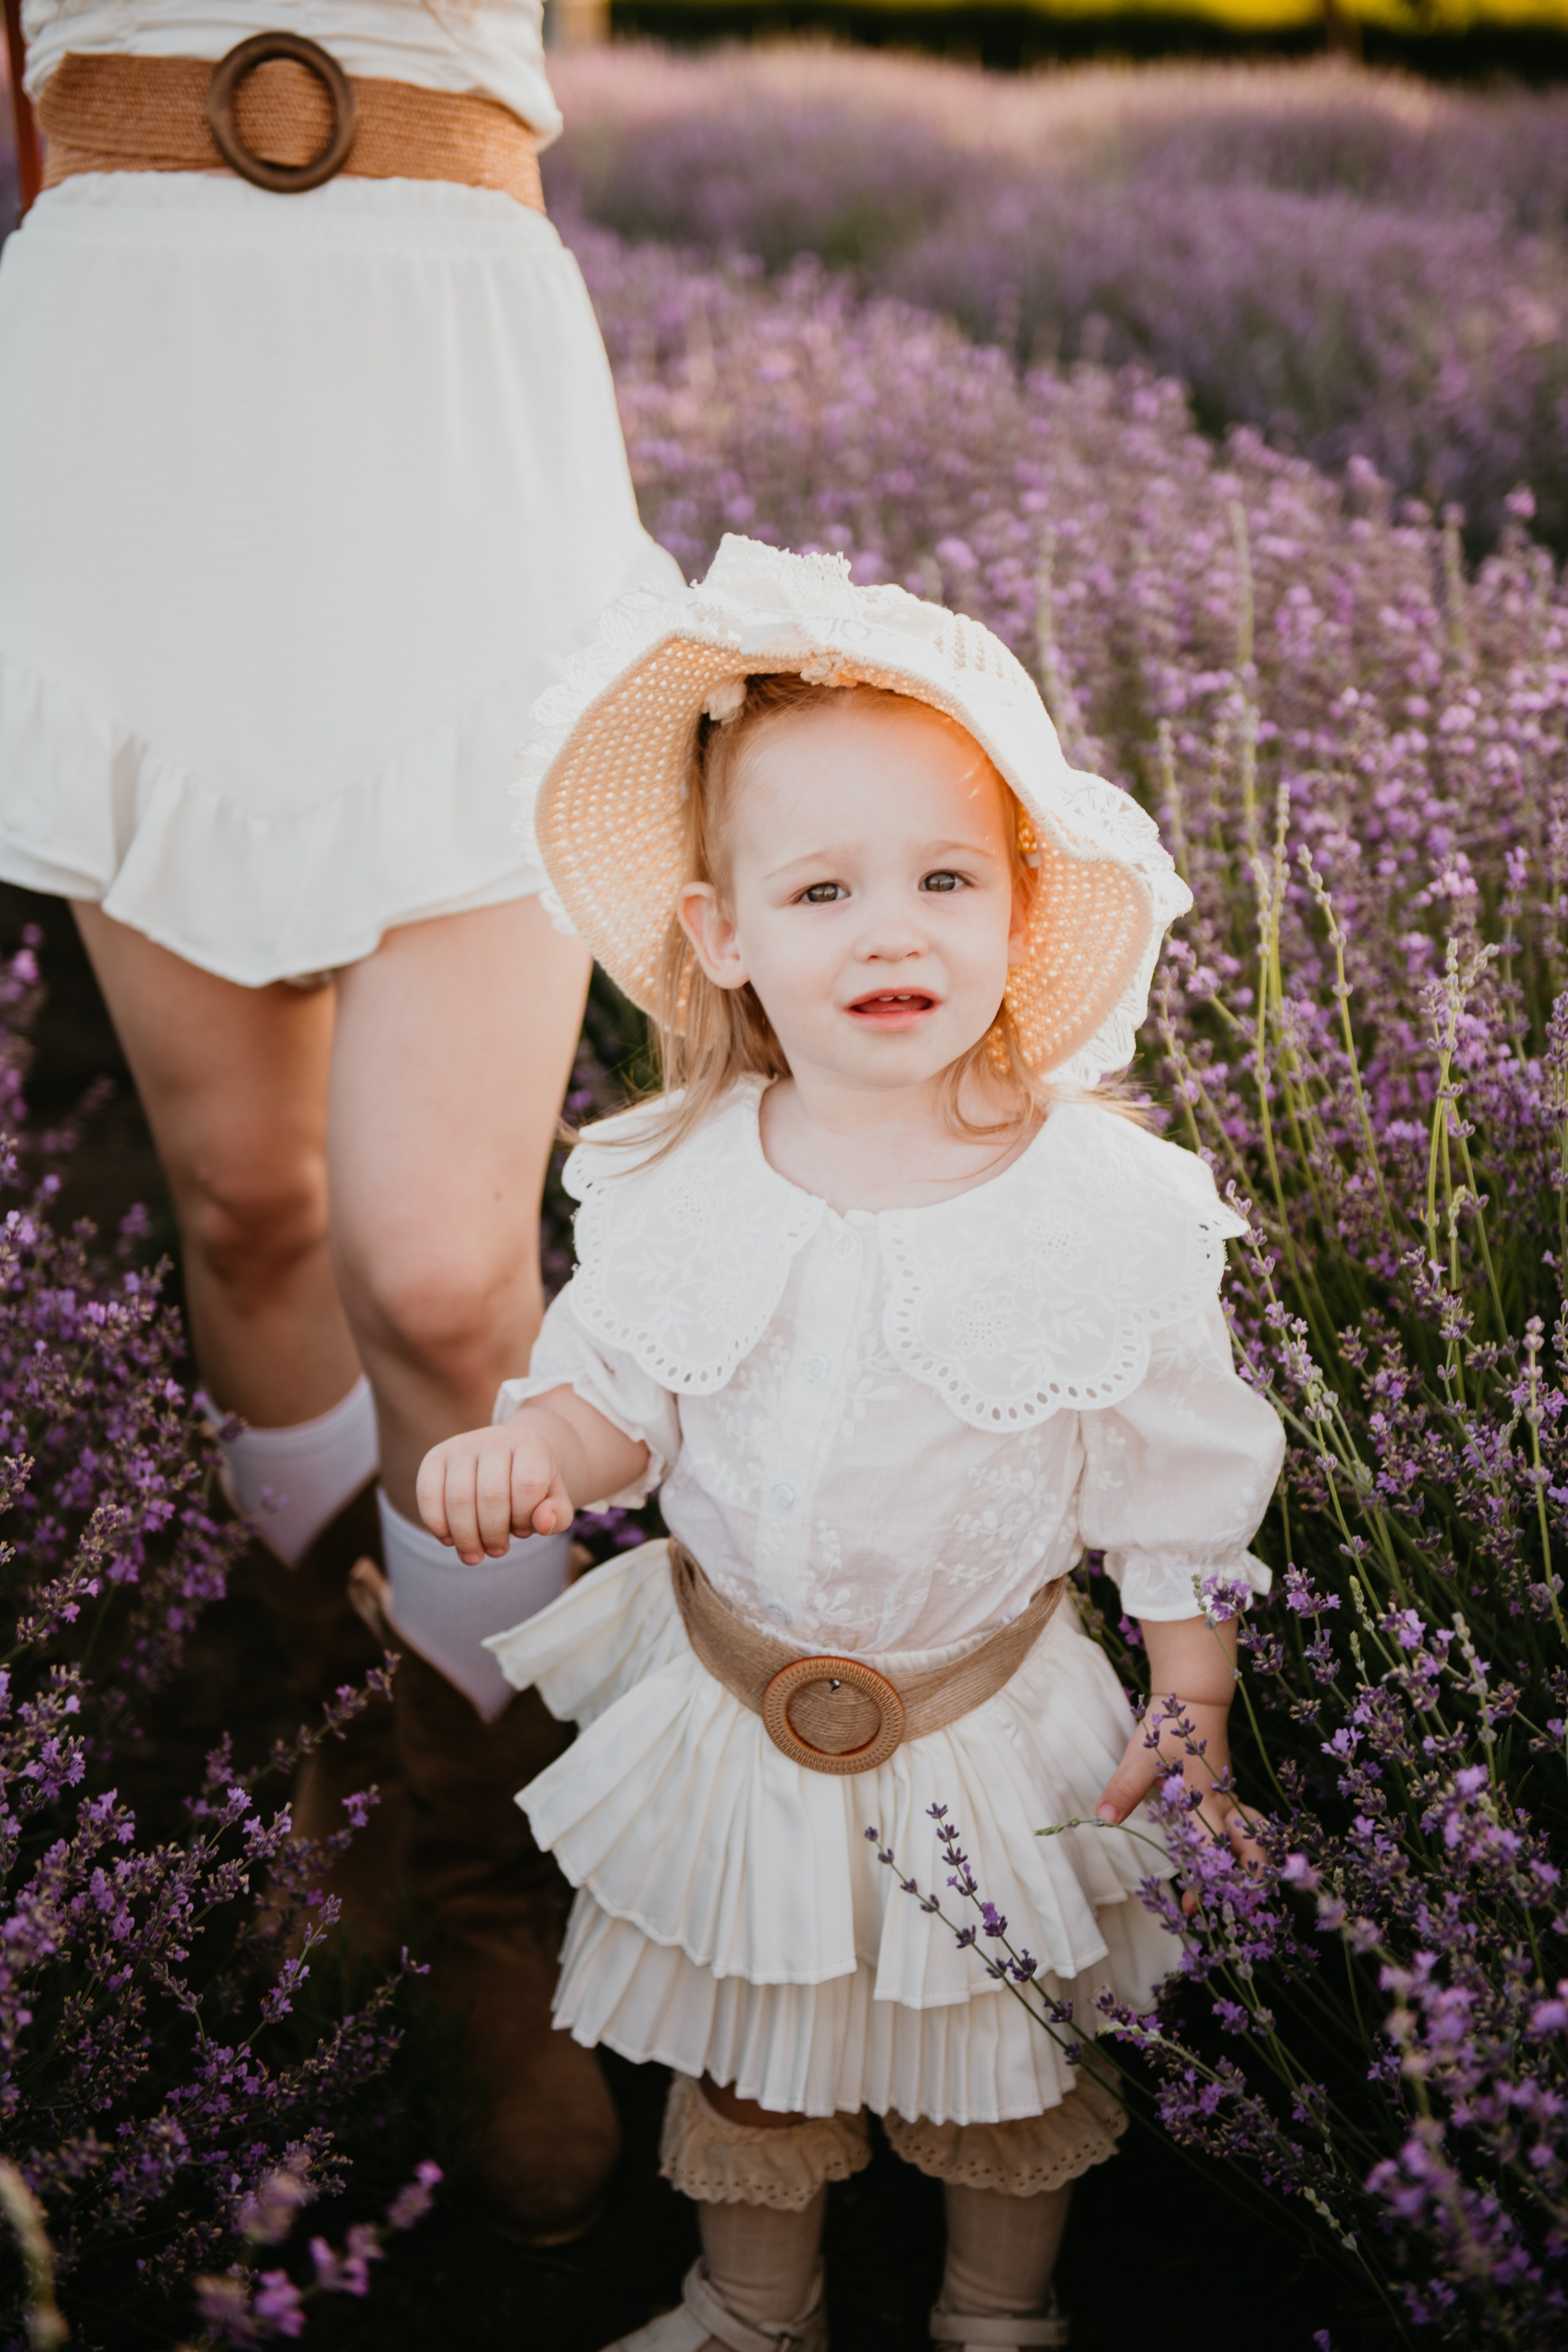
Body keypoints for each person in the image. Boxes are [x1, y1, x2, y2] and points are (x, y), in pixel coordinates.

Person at [417, 537, 1289, 2350]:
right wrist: (534, 1452)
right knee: (752, 2054)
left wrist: (1189, 1691)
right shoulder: (678, 1176)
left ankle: (993, 2315)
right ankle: (755, 2314)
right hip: (748, 1708)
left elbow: (1176, 1479)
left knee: (1001, 2077)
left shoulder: (1095, 1205)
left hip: (988, 1719)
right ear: (723, 935)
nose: (892, 930)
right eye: (821, 891)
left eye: (944, 879)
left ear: (1019, 912)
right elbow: (618, 1403)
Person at [0, 0, 682, 2243]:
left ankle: (491, 1883)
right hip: (116, 375)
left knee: (443, 1266)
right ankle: (351, 1721)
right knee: (250, 1204)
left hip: (445, 384)